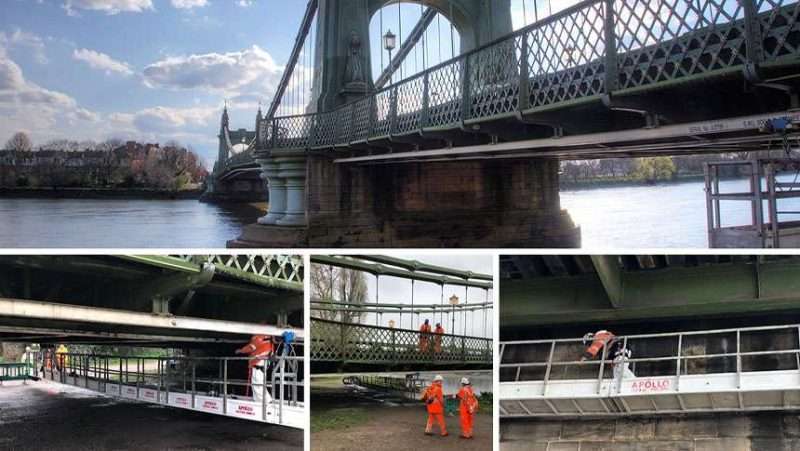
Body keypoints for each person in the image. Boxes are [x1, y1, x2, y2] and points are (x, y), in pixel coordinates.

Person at [236, 335, 275, 403]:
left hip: (258, 363)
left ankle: (266, 401)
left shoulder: (259, 337)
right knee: (258, 383)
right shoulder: (268, 337)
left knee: (257, 384)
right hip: (264, 362)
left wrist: (240, 351)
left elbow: (251, 347)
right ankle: (259, 400)